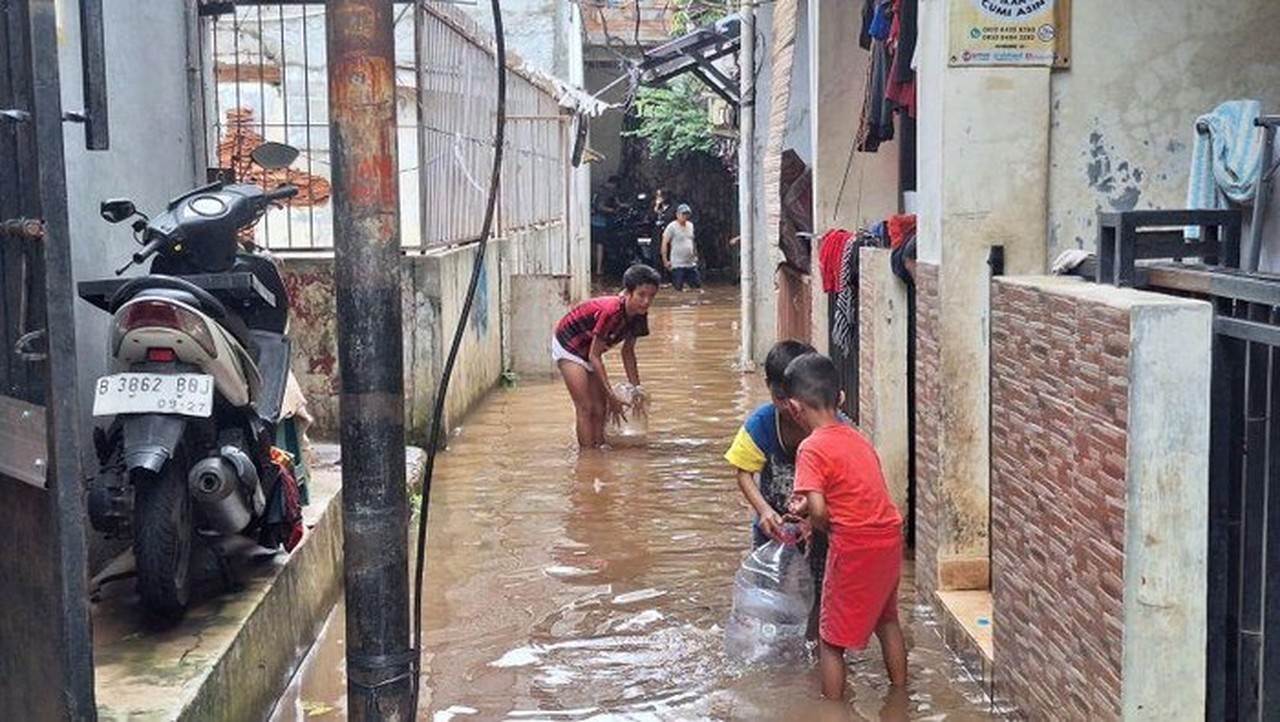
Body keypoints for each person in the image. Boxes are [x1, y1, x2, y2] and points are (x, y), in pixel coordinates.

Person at [783, 352, 907, 700]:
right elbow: (857, 487)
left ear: (794, 407)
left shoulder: (811, 448)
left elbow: (820, 508)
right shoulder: (857, 437)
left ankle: (833, 710)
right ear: (840, 398)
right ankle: (899, 696)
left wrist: (816, 521)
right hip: (888, 537)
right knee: (887, 620)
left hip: (853, 543)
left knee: (831, 639)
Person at [724, 340, 829, 637]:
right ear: (769, 388)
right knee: (769, 591)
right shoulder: (762, 424)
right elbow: (743, 472)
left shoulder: (828, 426)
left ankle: (815, 643)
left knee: (821, 591)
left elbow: (840, 481)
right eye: (779, 398)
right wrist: (764, 510)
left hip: (821, 527)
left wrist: (814, 519)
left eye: (792, 398)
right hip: (773, 529)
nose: (787, 407)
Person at [552, 264, 661, 448]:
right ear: (628, 293)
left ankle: (600, 454)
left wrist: (637, 390)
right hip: (569, 345)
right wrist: (611, 394)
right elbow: (594, 356)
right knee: (586, 407)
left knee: (601, 409)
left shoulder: (640, 315)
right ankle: (588, 459)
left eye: (651, 296)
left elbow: (628, 352)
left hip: (590, 349)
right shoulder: (612, 312)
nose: (646, 302)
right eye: (641, 295)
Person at [661, 203, 702, 291]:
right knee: (678, 289)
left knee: (697, 288)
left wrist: (696, 255)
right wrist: (665, 261)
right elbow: (664, 243)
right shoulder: (671, 227)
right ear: (677, 215)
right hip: (677, 264)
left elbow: (692, 241)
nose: (685, 216)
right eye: (683, 214)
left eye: (687, 214)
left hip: (690, 264)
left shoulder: (690, 225)